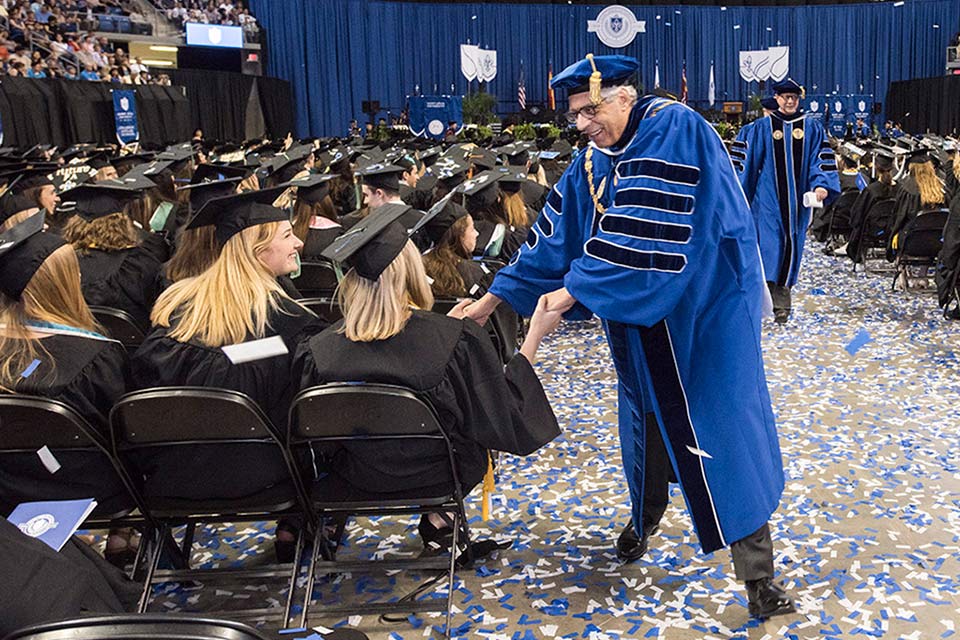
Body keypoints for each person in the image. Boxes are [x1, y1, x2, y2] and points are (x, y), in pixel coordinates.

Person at [463, 54, 796, 620]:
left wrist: (574, 291)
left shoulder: (674, 126)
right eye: (575, 115)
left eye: (591, 110)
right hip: (639, 323)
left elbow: (650, 225)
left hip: (702, 318)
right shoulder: (594, 158)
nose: (583, 123)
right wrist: (493, 296)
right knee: (645, 432)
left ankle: (758, 577)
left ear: (623, 96)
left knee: (725, 437)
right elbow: (556, 234)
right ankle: (642, 523)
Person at [294, 203, 561, 545]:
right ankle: (440, 517)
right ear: (409, 272)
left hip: (354, 477)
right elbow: (506, 417)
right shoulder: (453, 341)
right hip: (439, 476)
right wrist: (534, 336)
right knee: (468, 423)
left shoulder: (317, 350)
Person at [130, 188, 326, 510]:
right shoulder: (293, 324)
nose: (299, 243)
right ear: (258, 250)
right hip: (266, 477)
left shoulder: (177, 306)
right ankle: (292, 530)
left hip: (175, 475)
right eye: (288, 235)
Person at [0, 213, 137, 562]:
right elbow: (125, 434)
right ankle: (122, 533)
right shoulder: (96, 355)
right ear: (61, 284)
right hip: (92, 491)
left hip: (7, 493)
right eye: (72, 270)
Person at [734, 77, 840, 323]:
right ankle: (769, 299)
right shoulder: (761, 128)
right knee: (769, 248)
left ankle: (782, 301)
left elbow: (820, 160)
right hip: (768, 201)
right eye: (786, 97)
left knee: (790, 250)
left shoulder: (812, 129)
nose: (790, 101)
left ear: (798, 99)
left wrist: (821, 185)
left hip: (796, 206)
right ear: (778, 99)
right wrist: (740, 196)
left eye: (794, 97)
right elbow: (747, 166)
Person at [60, 183, 166, 329]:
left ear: (75, 223)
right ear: (122, 222)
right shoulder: (139, 264)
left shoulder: (60, 265)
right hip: (133, 347)